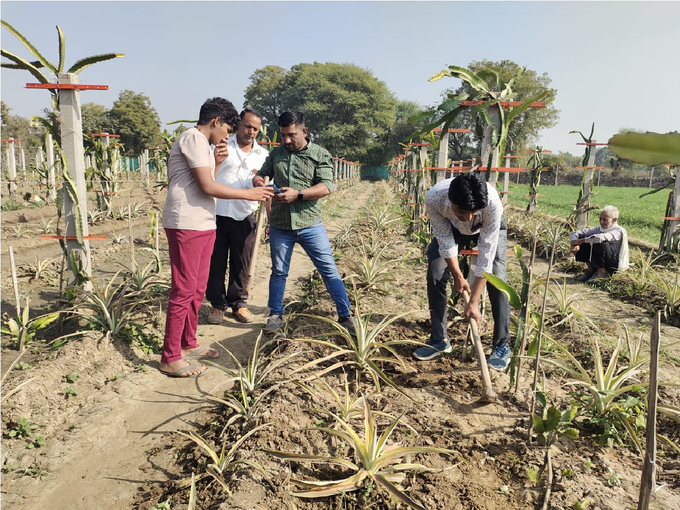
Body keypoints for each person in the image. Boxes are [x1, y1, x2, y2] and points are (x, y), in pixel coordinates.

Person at [159, 98, 274, 378]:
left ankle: (187, 343)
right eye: (227, 129)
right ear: (215, 122)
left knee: (197, 288)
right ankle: (169, 355)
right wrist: (250, 194)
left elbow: (206, 180)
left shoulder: (205, 146)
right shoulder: (193, 139)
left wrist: (219, 162)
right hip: (185, 221)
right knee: (183, 290)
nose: (227, 135)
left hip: (202, 221)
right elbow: (208, 185)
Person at [253, 111, 355, 336]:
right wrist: (260, 183)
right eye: (283, 135)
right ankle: (275, 314)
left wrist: (297, 194)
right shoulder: (277, 154)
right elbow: (261, 174)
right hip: (281, 224)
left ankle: (345, 315)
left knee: (328, 270)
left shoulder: (319, 154)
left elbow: (327, 186)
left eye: (292, 135)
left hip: (310, 224)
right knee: (279, 271)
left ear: (304, 132)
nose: (287, 140)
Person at [413, 172, 512, 372]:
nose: (468, 217)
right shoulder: (434, 198)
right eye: (463, 211)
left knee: (498, 277)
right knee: (436, 272)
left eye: (472, 212)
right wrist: (458, 277)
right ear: (451, 201)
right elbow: (445, 240)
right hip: (453, 229)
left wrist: (473, 302)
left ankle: (501, 345)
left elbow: (486, 254)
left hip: (487, 229)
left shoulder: (492, 205)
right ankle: (439, 339)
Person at [206, 108, 269, 325]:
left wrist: (270, 220)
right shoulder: (221, 145)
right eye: (248, 126)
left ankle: (239, 304)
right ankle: (216, 305)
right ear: (239, 124)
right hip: (216, 212)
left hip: (245, 214)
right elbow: (207, 174)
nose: (251, 131)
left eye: (255, 129)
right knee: (215, 262)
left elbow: (266, 188)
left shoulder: (262, 156)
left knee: (242, 262)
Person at [570, 205, 629, 283]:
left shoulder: (618, 231)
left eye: (605, 220)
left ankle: (602, 272)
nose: (601, 222)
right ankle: (590, 270)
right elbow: (576, 233)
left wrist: (581, 241)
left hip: (613, 262)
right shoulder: (599, 229)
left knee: (597, 241)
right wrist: (575, 244)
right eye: (600, 219)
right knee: (584, 236)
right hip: (600, 260)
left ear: (614, 220)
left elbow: (600, 238)